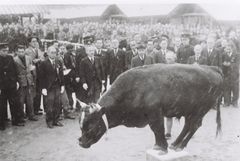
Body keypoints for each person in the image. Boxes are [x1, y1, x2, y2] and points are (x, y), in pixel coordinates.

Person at [0, 43, 24, 130]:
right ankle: (1, 124)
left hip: (11, 85)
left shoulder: (10, 58)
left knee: (14, 104)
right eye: (3, 51)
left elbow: (15, 71)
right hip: (2, 87)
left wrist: (17, 81)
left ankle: (15, 121)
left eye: (7, 50)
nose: (6, 52)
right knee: (2, 106)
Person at [40, 46, 65, 128]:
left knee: (57, 104)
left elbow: (61, 74)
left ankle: (56, 120)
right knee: (49, 105)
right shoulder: (43, 63)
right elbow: (41, 77)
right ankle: (49, 121)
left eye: (55, 52)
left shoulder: (59, 62)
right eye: (52, 52)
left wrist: (62, 85)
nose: (54, 54)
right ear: (48, 53)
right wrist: (43, 88)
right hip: (49, 87)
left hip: (57, 86)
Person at [14, 45, 38, 121]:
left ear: (24, 51)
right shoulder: (14, 60)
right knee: (20, 100)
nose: (21, 53)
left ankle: (31, 115)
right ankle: (21, 116)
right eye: (19, 51)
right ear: (16, 52)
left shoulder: (28, 58)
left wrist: (33, 79)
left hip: (29, 81)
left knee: (30, 99)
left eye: (22, 51)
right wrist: (16, 82)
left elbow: (32, 68)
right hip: (21, 82)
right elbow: (14, 73)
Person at [25, 36, 44, 115]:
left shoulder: (37, 49)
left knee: (38, 92)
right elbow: (32, 61)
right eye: (33, 41)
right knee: (32, 93)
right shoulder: (27, 51)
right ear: (29, 43)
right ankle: (30, 111)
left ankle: (37, 108)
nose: (35, 43)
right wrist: (39, 59)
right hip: (32, 73)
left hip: (38, 73)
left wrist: (39, 58)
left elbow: (42, 58)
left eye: (36, 41)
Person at [222, 43, 240, 107]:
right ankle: (227, 102)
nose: (228, 49)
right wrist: (223, 64)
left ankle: (235, 102)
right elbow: (222, 63)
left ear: (232, 48)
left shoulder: (237, 55)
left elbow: (237, 64)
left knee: (235, 88)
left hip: (234, 74)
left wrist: (229, 64)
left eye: (229, 47)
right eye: (227, 48)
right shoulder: (223, 54)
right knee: (226, 88)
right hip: (226, 74)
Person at [164, 50, 177, 139]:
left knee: (187, 113)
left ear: (174, 58)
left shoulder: (179, 67)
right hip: (167, 94)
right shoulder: (163, 68)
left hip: (178, 94)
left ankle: (189, 130)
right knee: (169, 115)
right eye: (167, 58)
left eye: (170, 58)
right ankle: (168, 133)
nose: (169, 60)